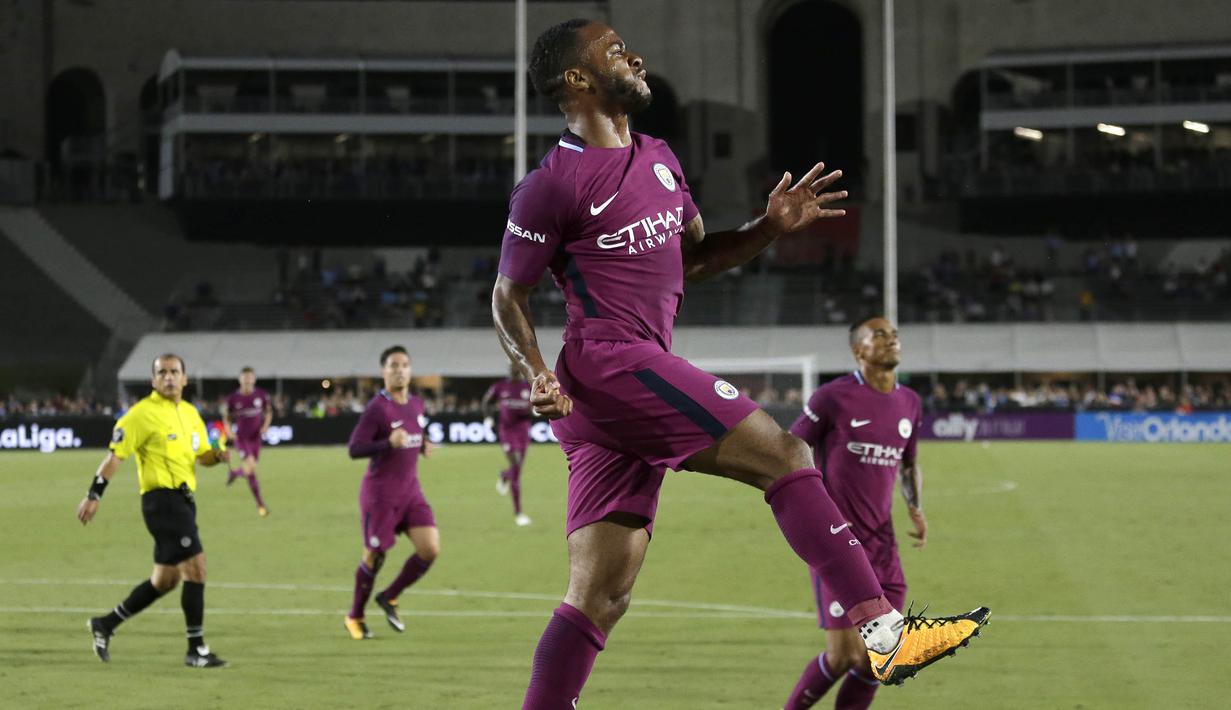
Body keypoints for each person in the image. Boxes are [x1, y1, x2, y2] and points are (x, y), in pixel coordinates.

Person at [491, 19, 988, 708]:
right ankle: (883, 631)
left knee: (601, 594)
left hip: (625, 379)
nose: (633, 54)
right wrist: (535, 372)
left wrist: (767, 229)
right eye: (611, 51)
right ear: (576, 80)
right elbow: (507, 294)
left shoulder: (659, 157)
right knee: (785, 455)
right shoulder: (550, 185)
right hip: (608, 362)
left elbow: (692, 261)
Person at [784, 317, 928, 709]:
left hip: (884, 547)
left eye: (895, 334)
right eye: (879, 335)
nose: (891, 339)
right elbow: (791, 447)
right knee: (844, 655)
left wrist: (915, 508)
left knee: (881, 658)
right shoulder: (833, 398)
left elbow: (909, 462)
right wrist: (808, 507)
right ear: (858, 350)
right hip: (838, 545)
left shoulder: (910, 402)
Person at [77, 354, 229, 668]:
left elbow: (201, 455)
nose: (169, 377)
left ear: (185, 379)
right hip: (162, 502)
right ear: (153, 380)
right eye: (162, 373)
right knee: (197, 568)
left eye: (175, 372)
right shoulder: (140, 415)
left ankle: (105, 624)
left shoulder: (190, 414)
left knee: (165, 580)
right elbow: (114, 457)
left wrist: (217, 456)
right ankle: (196, 650)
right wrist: (94, 494)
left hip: (184, 502)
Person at [343, 345, 439, 640]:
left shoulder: (417, 404)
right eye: (393, 366)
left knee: (430, 549)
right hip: (380, 495)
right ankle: (355, 616)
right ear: (383, 371)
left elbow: (413, 433)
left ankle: (390, 596)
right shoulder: (377, 408)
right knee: (375, 555)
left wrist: (422, 444)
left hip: (411, 492)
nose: (400, 370)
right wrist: (387, 443)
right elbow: (355, 449)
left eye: (404, 365)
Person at [482, 365, 534, 525]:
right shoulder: (500, 386)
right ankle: (518, 513)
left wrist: (535, 410)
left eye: (516, 367)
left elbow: (534, 408)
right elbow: (486, 401)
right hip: (507, 431)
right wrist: (488, 418)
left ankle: (504, 476)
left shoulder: (528, 387)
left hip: (523, 432)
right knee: (516, 466)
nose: (513, 370)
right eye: (511, 367)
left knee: (517, 467)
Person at [222, 366, 271, 516]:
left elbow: (268, 412)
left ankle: (235, 473)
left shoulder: (261, 395)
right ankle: (260, 504)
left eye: (250, 377)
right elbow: (227, 417)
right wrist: (229, 430)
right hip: (242, 439)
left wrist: (265, 426)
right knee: (251, 468)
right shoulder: (233, 398)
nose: (248, 380)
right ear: (240, 379)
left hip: (256, 438)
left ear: (254, 379)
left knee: (250, 468)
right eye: (245, 377)